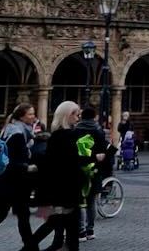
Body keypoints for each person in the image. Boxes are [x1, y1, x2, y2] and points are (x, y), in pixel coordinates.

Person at [28, 102, 93, 251]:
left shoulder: (57, 135)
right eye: (76, 115)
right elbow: (72, 162)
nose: (78, 119)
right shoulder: (68, 136)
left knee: (59, 224)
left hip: (61, 188)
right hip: (67, 188)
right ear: (68, 115)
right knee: (62, 225)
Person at [0, 103, 37, 251]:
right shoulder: (18, 134)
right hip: (14, 183)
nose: (33, 117)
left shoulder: (11, 129)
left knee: (20, 216)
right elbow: (14, 160)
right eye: (30, 114)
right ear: (22, 116)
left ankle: (30, 246)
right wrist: (28, 167)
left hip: (9, 182)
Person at [72, 107, 110, 241]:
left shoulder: (76, 129)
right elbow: (103, 150)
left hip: (79, 167)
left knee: (79, 201)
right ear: (94, 116)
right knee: (91, 201)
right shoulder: (99, 130)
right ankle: (90, 230)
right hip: (94, 168)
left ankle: (80, 232)